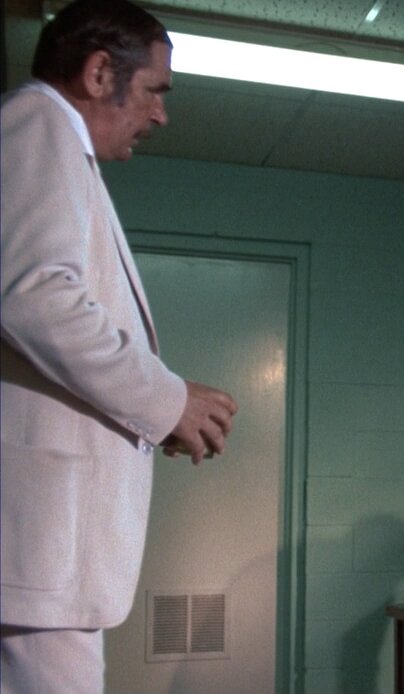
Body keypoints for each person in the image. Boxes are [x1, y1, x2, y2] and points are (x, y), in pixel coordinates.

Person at [1, 1, 238, 691]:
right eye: (155, 90)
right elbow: (36, 297)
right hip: (39, 547)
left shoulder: (52, 142)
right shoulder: (37, 122)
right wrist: (168, 401)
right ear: (100, 73)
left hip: (41, 553)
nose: (161, 114)